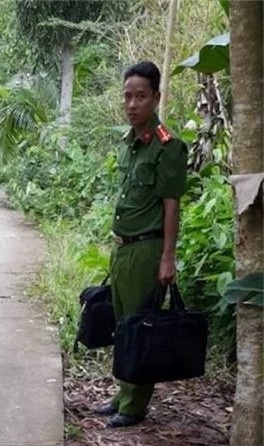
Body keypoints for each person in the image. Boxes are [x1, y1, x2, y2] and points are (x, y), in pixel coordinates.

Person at [94, 61, 187, 428]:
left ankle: (134, 405)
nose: (132, 104)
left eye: (141, 97)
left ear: (157, 98)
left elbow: (171, 204)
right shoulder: (129, 143)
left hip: (148, 250)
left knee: (139, 326)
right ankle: (123, 391)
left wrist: (167, 257)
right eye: (128, 97)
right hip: (123, 247)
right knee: (123, 325)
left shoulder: (168, 146)